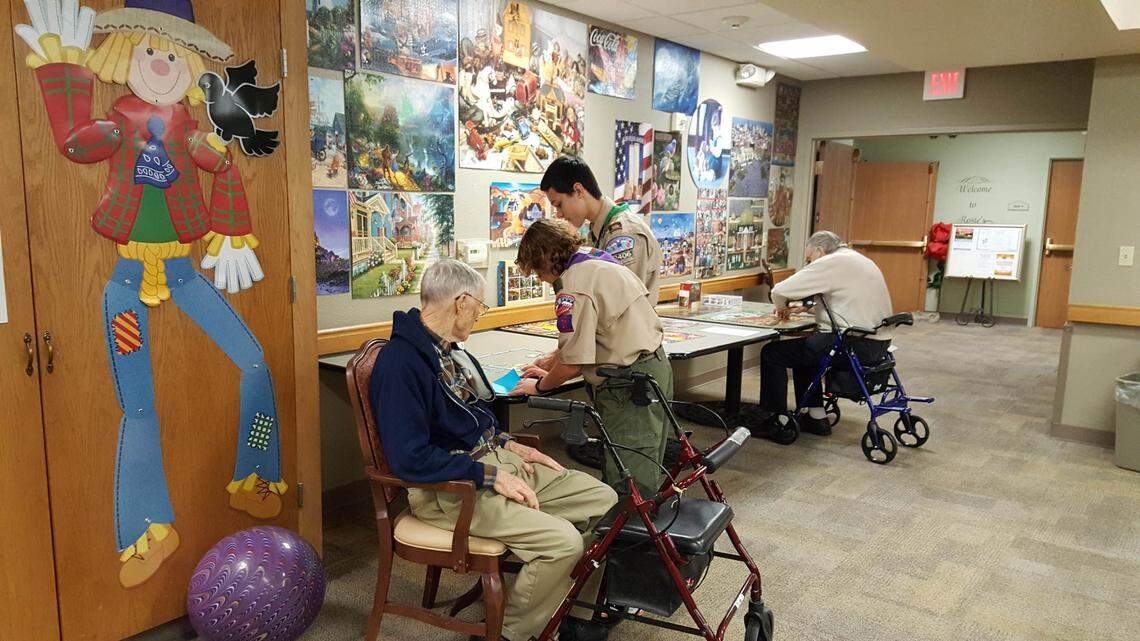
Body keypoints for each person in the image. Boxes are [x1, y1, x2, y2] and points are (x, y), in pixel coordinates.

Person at [370, 260, 618, 641]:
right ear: (461, 302)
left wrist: (509, 444)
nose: (479, 315)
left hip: (493, 461)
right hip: (452, 488)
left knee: (606, 502)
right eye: (480, 307)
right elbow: (410, 458)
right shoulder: (401, 364)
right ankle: (511, 633)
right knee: (563, 543)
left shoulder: (445, 351)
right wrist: (490, 475)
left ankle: (560, 609)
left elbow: (468, 419)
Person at [511, 220, 673, 498]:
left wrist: (539, 387)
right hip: (654, 367)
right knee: (648, 458)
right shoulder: (597, 260)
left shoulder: (573, 287)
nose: (539, 277)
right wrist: (549, 361)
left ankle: (631, 536)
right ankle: (643, 526)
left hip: (628, 385)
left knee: (629, 471)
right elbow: (599, 335)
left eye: (537, 269)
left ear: (547, 258)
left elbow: (573, 362)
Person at [759, 231, 894, 436]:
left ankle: (776, 417)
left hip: (852, 343)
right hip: (877, 342)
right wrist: (807, 309)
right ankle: (816, 416)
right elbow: (849, 302)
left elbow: (779, 291)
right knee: (805, 352)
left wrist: (782, 307)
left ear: (820, 251)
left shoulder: (831, 262)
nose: (809, 264)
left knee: (773, 352)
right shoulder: (858, 259)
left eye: (809, 259)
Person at [539, 155, 662, 300]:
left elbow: (622, 301)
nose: (559, 214)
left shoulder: (623, 235)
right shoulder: (596, 232)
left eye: (559, 205)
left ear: (578, 190)